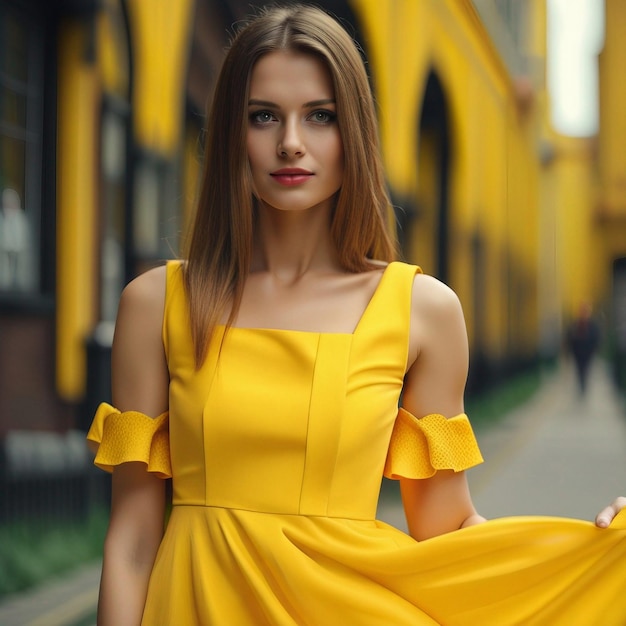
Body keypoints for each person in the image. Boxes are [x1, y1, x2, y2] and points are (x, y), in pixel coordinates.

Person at [87, 5, 626, 625]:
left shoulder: (422, 311)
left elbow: (447, 528)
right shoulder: (155, 304)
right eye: (264, 116)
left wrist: (587, 554)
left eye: (321, 116)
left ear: (356, 135)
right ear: (234, 132)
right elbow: (130, 543)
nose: (291, 141)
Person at [566, 301, 601, 394]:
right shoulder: (575, 325)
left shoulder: (593, 326)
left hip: (588, 352)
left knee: (586, 369)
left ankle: (584, 386)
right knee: (580, 370)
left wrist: (594, 350)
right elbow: (570, 338)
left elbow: (596, 338)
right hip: (578, 353)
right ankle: (582, 386)